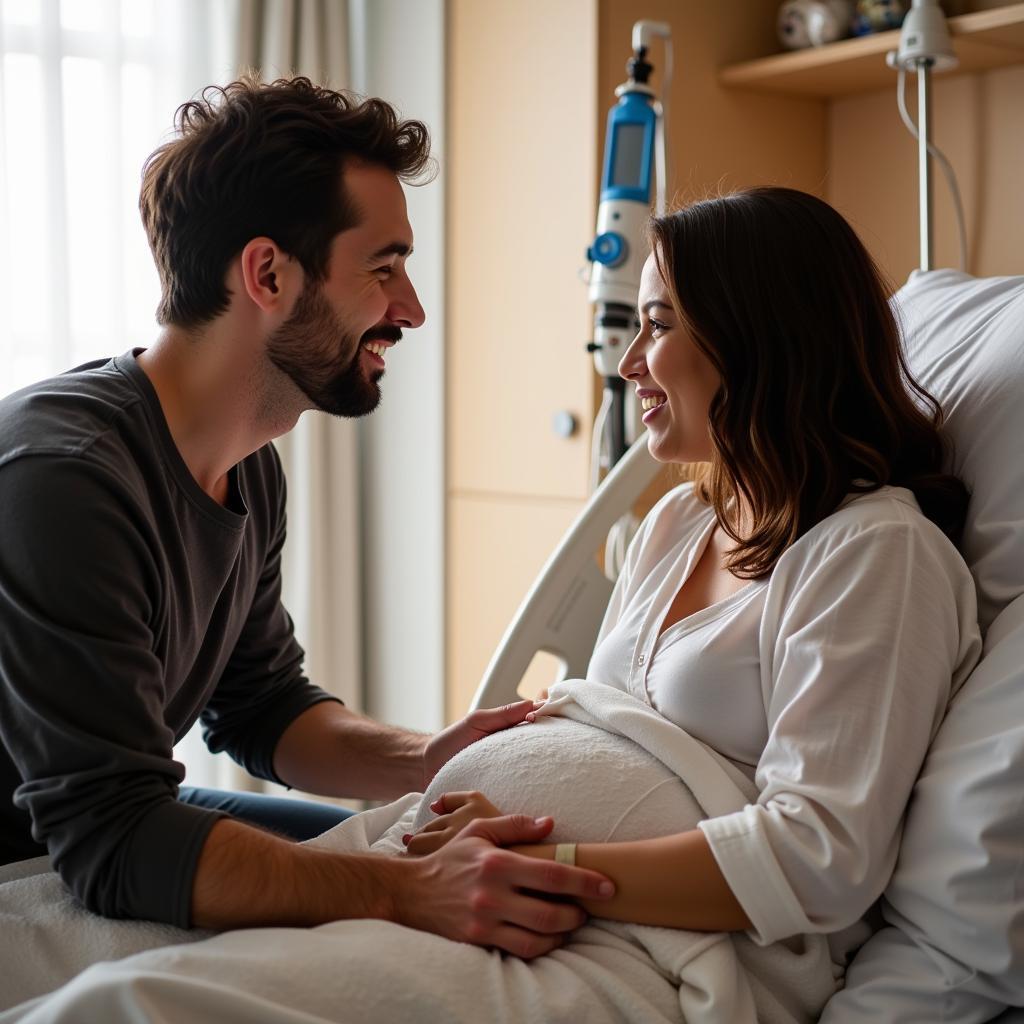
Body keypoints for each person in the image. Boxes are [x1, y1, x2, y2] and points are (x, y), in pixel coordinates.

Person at [0, 74, 615, 957]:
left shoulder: (250, 471)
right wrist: (406, 893)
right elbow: (114, 839)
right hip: (51, 851)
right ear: (268, 273)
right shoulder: (61, 480)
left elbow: (261, 708)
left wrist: (425, 757)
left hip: (109, 822)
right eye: (384, 267)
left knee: (415, 850)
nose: (411, 309)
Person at [406, 187, 982, 956]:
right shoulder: (678, 526)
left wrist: (542, 866)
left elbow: (819, 858)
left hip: (646, 948)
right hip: (520, 910)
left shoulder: (875, 554)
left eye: (659, 325)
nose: (628, 362)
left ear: (762, 337)